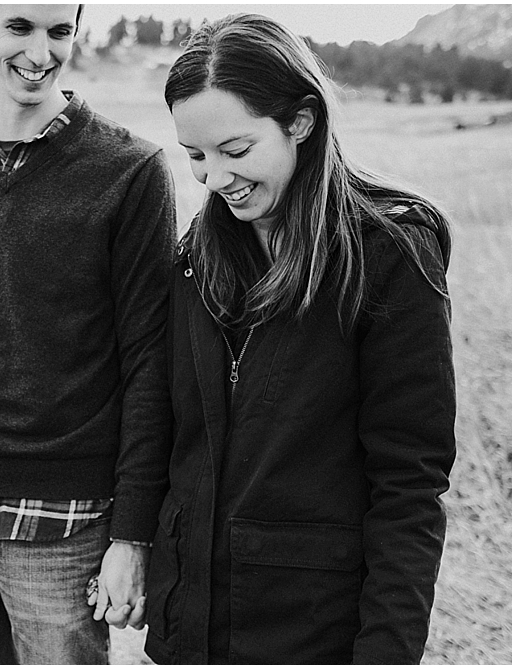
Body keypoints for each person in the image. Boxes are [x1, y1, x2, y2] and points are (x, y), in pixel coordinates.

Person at [143, 14, 456, 664]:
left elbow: (409, 484)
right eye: (195, 156)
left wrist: (386, 654)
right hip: (183, 632)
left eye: (235, 150)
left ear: (302, 122)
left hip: (309, 634)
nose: (213, 178)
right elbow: (169, 431)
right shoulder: (193, 258)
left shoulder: (389, 255)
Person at [0, 4, 175, 664]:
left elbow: (151, 362)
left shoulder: (131, 172)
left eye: (60, 31)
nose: (41, 50)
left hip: (64, 521)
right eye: (19, 27)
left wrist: (133, 534)